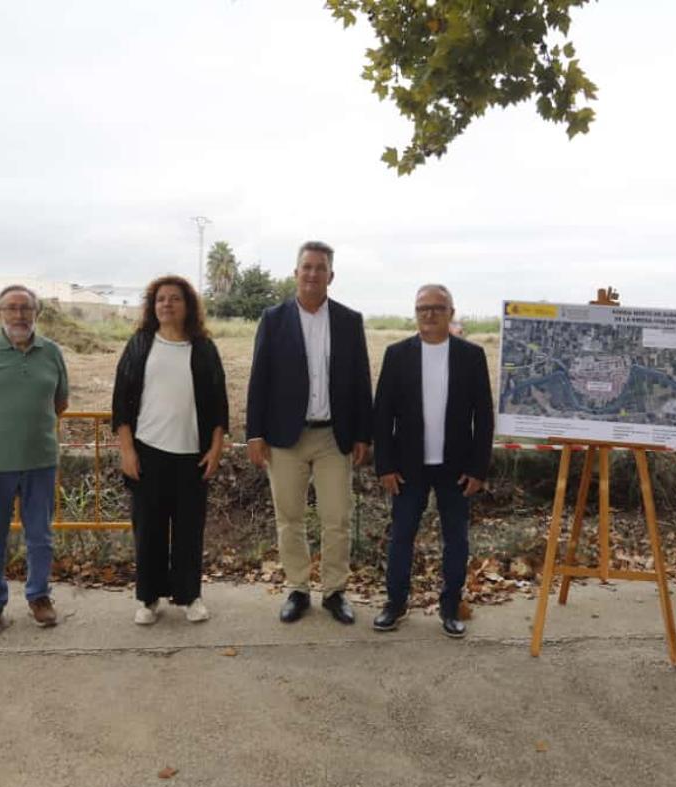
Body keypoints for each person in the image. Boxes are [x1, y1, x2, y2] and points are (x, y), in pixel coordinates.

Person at [245, 241, 373, 624]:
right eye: (306, 267)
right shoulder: (273, 319)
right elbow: (259, 378)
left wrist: (363, 434)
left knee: (337, 517)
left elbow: (361, 381)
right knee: (290, 517)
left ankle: (335, 591)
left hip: (335, 437)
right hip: (285, 437)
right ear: (295, 272)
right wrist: (255, 434)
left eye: (320, 268)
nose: (313, 273)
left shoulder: (350, 321)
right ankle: (298, 589)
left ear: (331, 276)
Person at [371, 285, 493, 637]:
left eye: (437, 308)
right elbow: (382, 416)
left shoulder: (471, 356)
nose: (429, 314)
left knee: (456, 540)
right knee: (402, 537)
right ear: (415, 313)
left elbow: (483, 417)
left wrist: (478, 468)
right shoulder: (398, 355)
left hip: (456, 469)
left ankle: (450, 606)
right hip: (408, 467)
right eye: (422, 308)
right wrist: (385, 465)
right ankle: (395, 604)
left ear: (451, 313)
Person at [111, 275, 227, 624]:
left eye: (174, 299)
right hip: (148, 452)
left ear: (187, 305)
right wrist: (127, 450)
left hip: (193, 454)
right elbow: (121, 402)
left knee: (190, 530)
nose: (167, 304)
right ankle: (148, 598)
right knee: (149, 529)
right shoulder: (141, 344)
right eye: (161, 299)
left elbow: (219, 403)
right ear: (153, 306)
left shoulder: (204, 348)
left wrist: (217, 448)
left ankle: (190, 596)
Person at [0, 285, 69, 637]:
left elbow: (60, 402)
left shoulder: (51, 352)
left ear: (37, 313)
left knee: (40, 536)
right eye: (11, 308)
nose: (19, 315)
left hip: (40, 461)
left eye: (26, 308)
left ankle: (39, 597)